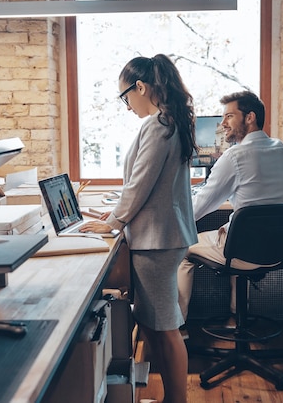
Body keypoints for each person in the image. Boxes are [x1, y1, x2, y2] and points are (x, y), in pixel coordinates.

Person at [80, 54, 198, 403]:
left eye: (125, 96)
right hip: (159, 235)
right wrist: (111, 215)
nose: (126, 104)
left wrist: (112, 222)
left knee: (166, 328)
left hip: (157, 240)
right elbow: (146, 184)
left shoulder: (158, 125)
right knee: (152, 324)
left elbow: (140, 184)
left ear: (141, 87)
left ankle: (176, 400)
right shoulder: (170, 122)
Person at [177, 90, 283, 321]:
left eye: (229, 116)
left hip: (243, 252)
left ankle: (178, 328)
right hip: (280, 250)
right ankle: (236, 319)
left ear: (250, 117)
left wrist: (171, 219)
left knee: (183, 250)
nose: (222, 124)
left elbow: (199, 207)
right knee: (239, 236)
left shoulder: (235, 156)